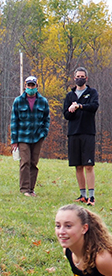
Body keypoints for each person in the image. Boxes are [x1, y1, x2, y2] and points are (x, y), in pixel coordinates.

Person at [63, 67, 99, 206]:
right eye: (78, 76)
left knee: (88, 165)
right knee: (78, 166)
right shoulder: (69, 96)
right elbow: (66, 115)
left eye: (82, 76)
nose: (80, 78)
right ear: (74, 78)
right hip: (73, 133)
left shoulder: (92, 93)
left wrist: (80, 106)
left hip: (88, 132)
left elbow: (94, 106)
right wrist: (71, 109)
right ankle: (82, 195)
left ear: (86, 78)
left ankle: (92, 196)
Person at [11, 75, 49, 197]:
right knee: (25, 162)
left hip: (37, 137)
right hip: (22, 137)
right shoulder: (18, 101)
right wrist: (14, 140)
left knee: (33, 163)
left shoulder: (43, 101)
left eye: (33, 85)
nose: (31, 88)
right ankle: (24, 189)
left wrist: (44, 133)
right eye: (29, 85)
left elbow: (46, 119)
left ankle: (31, 189)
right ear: (25, 86)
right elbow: (14, 121)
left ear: (37, 86)